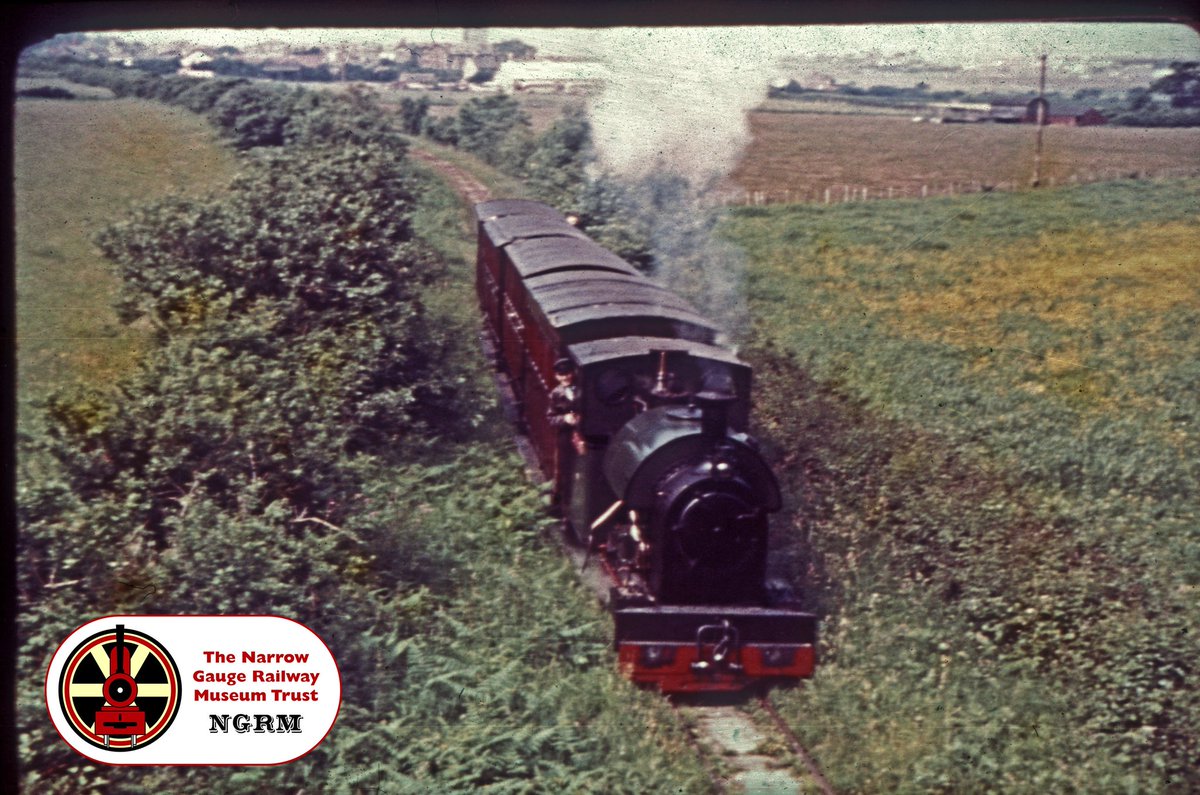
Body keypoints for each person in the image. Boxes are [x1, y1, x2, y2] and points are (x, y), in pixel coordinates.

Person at [547, 358, 583, 513]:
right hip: (565, 437)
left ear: (572, 373)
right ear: (556, 376)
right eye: (561, 375)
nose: (565, 378)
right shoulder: (555, 394)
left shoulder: (582, 390)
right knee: (563, 472)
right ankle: (562, 507)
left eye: (567, 374)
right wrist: (564, 419)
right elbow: (550, 417)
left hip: (582, 435)